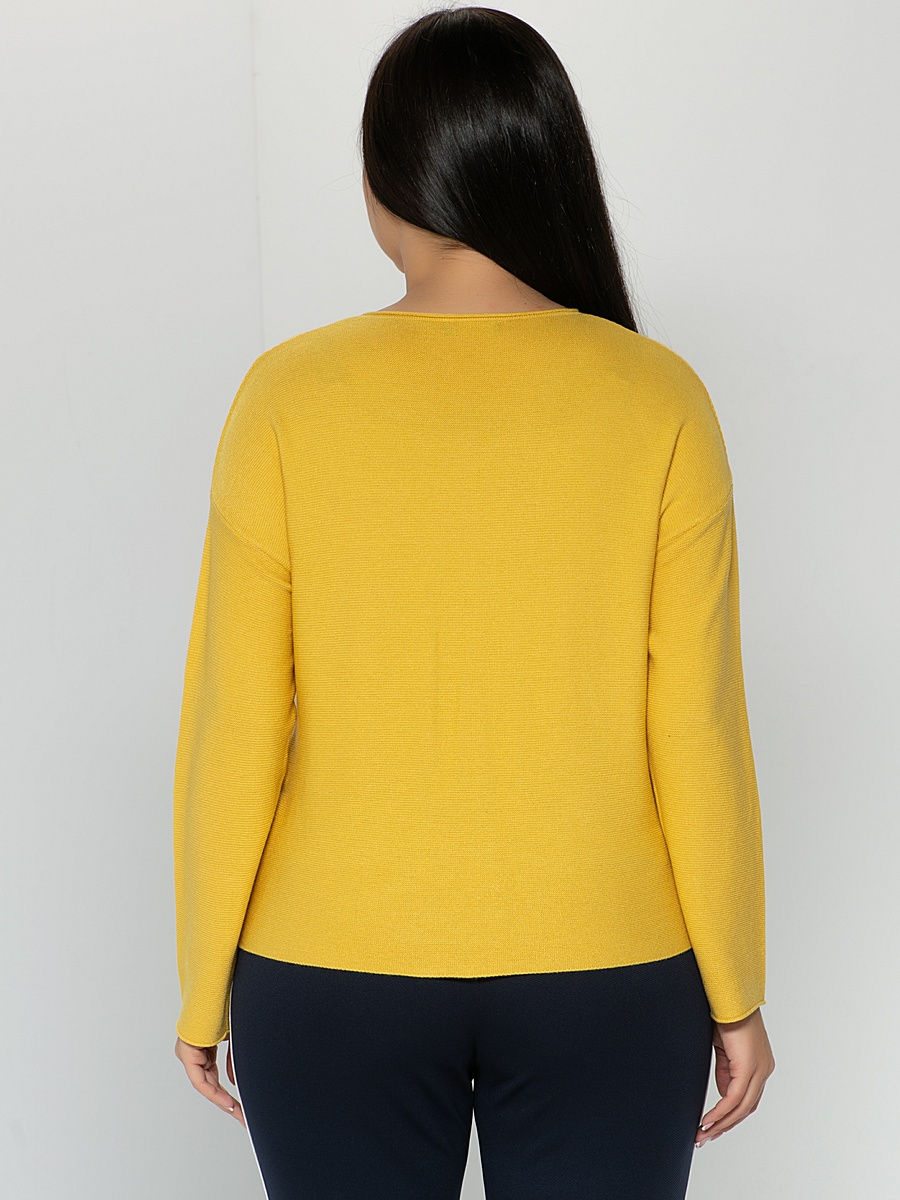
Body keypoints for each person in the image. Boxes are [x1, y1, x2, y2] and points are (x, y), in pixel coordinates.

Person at [172, 6, 775, 1198]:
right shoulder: (659, 398)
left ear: (383, 182)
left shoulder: (286, 398)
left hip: (329, 970)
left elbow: (239, 720)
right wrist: (734, 990)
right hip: (611, 969)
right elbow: (694, 726)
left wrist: (202, 986)